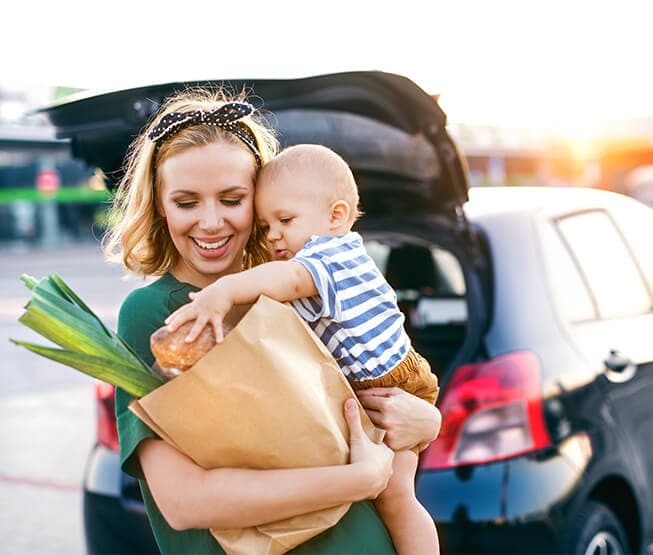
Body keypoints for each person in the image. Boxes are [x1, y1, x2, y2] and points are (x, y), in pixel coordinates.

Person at [103, 87, 442, 554]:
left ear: (260, 201)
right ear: (160, 206)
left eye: (231, 198)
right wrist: (357, 479)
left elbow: (361, 397)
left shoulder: (289, 294)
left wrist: (428, 421)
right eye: (186, 202)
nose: (211, 222)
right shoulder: (158, 314)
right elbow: (183, 502)